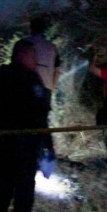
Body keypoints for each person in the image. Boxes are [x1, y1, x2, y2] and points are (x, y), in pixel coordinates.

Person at [0, 39, 51, 212]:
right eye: (33, 56)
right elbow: (40, 114)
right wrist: (48, 145)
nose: (36, 61)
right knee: (23, 189)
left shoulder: (4, 74)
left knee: (3, 186)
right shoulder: (30, 78)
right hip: (24, 142)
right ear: (22, 55)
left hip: (5, 139)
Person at [24, 16, 61, 161]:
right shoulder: (52, 47)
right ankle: (47, 152)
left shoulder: (25, 43)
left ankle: (30, 153)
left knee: (27, 120)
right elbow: (57, 69)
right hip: (46, 87)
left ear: (31, 28)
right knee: (42, 121)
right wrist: (51, 86)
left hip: (26, 88)